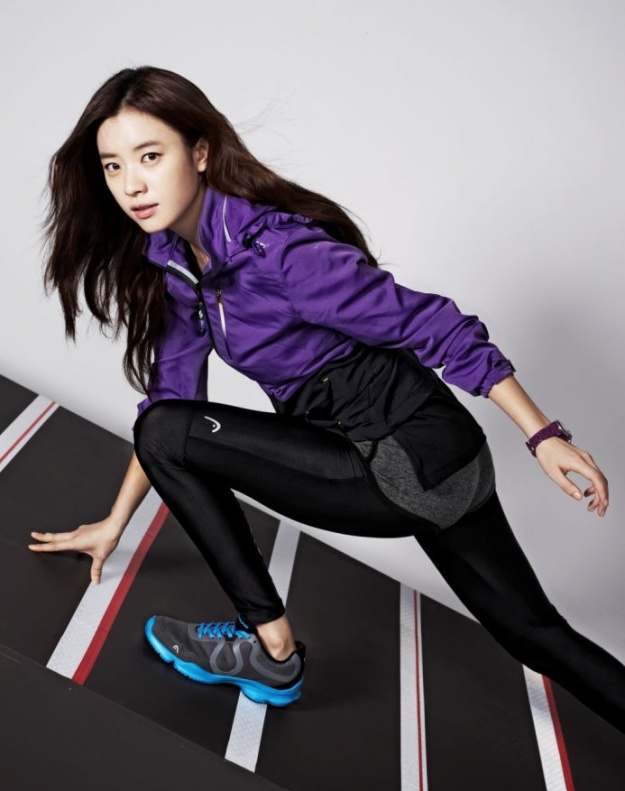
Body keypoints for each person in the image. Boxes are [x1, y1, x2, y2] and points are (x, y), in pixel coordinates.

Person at [32, 65, 623, 723]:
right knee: (534, 633)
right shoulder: (179, 266)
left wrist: (544, 436)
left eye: (150, 156)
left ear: (199, 152)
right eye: (113, 167)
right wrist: (114, 525)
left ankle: (270, 650)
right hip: (438, 460)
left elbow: (434, 325)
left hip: (398, 462)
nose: (131, 185)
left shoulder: (279, 251)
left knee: (168, 430)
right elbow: (169, 404)